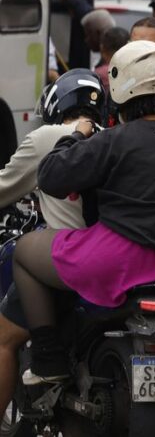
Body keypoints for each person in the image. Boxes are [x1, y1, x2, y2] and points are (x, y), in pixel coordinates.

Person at [22, 42, 155, 383]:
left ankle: (48, 359)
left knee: (22, 253)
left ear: (121, 88)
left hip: (118, 260)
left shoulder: (112, 140)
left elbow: (51, 177)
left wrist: (75, 136)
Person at [0, 71, 104, 415]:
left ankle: (47, 359)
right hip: (115, 258)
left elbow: (6, 188)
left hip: (65, 259)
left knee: (3, 341)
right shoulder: (115, 138)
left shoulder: (47, 137)